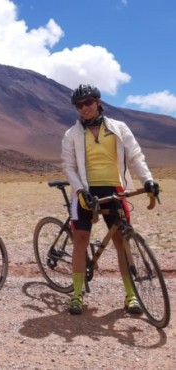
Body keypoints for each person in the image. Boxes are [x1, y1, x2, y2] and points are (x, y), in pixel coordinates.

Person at [61, 84, 160, 315]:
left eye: (88, 102)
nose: (84, 108)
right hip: (85, 191)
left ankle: (131, 295)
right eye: (79, 105)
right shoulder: (71, 134)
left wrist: (148, 180)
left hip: (114, 189)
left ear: (97, 101)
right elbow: (69, 167)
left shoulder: (118, 128)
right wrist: (79, 191)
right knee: (80, 240)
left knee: (121, 242)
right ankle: (76, 294)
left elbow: (135, 155)